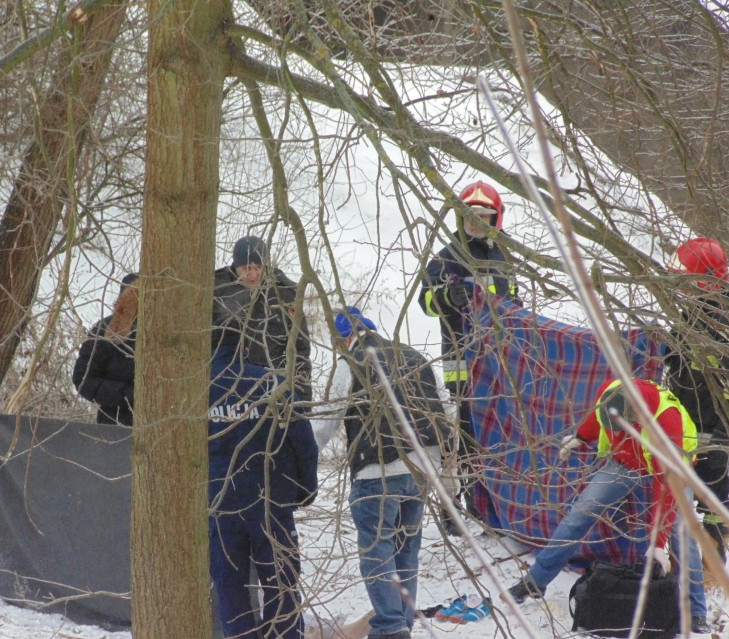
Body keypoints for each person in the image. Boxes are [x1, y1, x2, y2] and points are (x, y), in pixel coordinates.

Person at [507, 378, 711, 635]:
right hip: (625, 464)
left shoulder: (667, 422)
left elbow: (667, 491)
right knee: (578, 516)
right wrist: (581, 437)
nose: (614, 434)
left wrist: (658, 545)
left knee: (684, 534)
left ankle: (697, 611)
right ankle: (534, 583)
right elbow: (597, 417)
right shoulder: (612, 390)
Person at [329, 306, 451, 639]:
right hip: (421, 467)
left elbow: (327, 417)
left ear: (344, 338)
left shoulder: (351, 362)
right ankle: (402, 625)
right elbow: (446, 406)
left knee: (377, 551)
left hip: (377, 470)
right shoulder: (413, 356)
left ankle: (390, 628)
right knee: (405, 550)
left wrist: (299, 460)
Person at [417, 180, 521, 533]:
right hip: (462, 367)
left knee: (500, 439)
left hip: (498, 366)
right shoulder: (447, 257)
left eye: (483, 216)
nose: (476, 222)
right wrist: (449, 298)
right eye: (469, 216)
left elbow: (515, 304)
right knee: (468, 441)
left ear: (496, 219)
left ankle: (497, 505)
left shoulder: (504, 259)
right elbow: (426, 301)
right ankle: (463, 509)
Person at [208, 330, 319, 639]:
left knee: (231, 588)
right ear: (245, 347)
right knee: (281, 584)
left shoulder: (197, 390)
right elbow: (304, 442)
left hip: (220, 504)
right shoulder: (273, 383)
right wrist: (305, 490)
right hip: (272, 501)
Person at [666, 238, 729, 562]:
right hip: (689, 418)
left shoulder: (723, 323)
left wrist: (712, 430)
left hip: (712, 427)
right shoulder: (696, 310)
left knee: (713, 495)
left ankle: (713, 560)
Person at [212, 235, 312, 405]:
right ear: (236, 267)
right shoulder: (218, 291)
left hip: (272, 389)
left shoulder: (286, 294)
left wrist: (301, 403)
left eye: (258, 267)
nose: (253, 274)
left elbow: (300, 351)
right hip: (227, 390)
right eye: (246, 268)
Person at [73, 273, 138, 425]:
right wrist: (126, 394)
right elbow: (83, 379)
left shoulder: (171, 333)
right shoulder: (105, 331)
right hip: (116, 425)